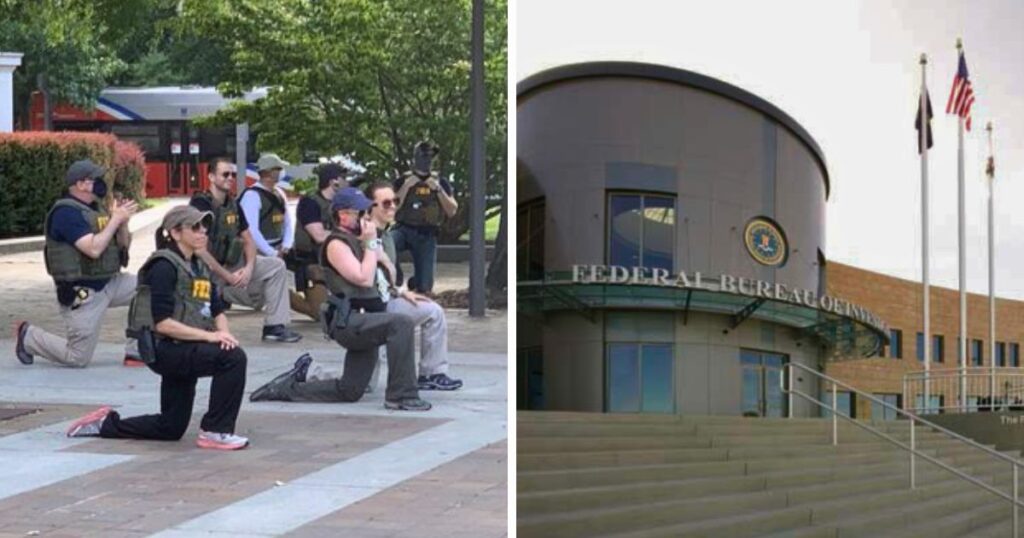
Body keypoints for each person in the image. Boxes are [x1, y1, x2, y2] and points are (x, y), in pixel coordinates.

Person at [65, 205, 249, 450]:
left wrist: (224, 333)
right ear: (174, 233)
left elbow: (216, 309)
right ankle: (216, 430)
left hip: (186, 345)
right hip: (166, 349)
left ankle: (105, 424)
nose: (202, 231)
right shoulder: (163, 266)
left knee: (170, 428)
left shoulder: (198, 265)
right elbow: (163, 324)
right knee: (233, 359)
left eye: (204, 226)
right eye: (194, 227)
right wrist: (212, 337)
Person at [249, 187, 431, 411]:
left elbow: (389, 276)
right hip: (349, 321)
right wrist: (372, 245)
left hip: (368, 319)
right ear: (343, 215)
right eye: (360, 212)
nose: (366, 216)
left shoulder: (361, 241)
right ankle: (402, 395)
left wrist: (378, 252)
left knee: (350, 390)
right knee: (400, 324)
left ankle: (286, 389)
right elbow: (363, 279)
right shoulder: (337, 244)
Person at [14, 159, 140, 368]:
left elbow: (122, 246)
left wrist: (123, 224)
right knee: (77, 357)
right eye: (95, 179)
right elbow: (93, 249)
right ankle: (29, 337)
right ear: (81, 184)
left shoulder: (96, 209)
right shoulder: (66, 214)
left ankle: (137, 350)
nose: (102, 183)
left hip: (110, 282)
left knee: (151, 287)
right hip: (83, 291)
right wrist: (115, 220)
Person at [191, 156, 301, 343]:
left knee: (276, 266)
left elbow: (248, 239)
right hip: (205, 269)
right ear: (210, 176)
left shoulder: (234, 204)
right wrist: (226, 276)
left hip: (233, 263)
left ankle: (274, 326)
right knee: (203, 323)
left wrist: (249, 267)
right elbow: (199, 249)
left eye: (232, 174)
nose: (230, 178)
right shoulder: (200, 204)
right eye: (225, 174)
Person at [367, 181, 462, 390]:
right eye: (386, 203)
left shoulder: (388, 236)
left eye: (395, 201)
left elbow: (385, 277)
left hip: (387, 301)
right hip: (368, 307)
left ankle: (432, 373)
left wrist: (401, 291)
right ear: (370, 207)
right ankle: (310, 372)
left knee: (433, 311)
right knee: (361, 385)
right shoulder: (364, 234)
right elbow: (364, 278)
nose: (392, 206)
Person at [391, 141, 458, 293]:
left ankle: (417, 282)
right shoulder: (403, 180)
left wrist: (438, 190)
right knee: (387, 243)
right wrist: (406, 186)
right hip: (403, 229)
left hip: (427, 234)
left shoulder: (440, 181)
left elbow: (452, 210)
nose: (427, 160)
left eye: (430, 157)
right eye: (424, 156)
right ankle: (396, 276)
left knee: (425, 287)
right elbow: (392, 207)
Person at [288, 162, 347, 321]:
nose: (345, 182)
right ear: (332, 182)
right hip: (311, 263)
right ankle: (280, 295)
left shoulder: (338, 205)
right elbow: (318, 235)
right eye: (342, 178)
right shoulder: (310, 203)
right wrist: (344, 235)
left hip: (332, 264)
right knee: (320, 315)